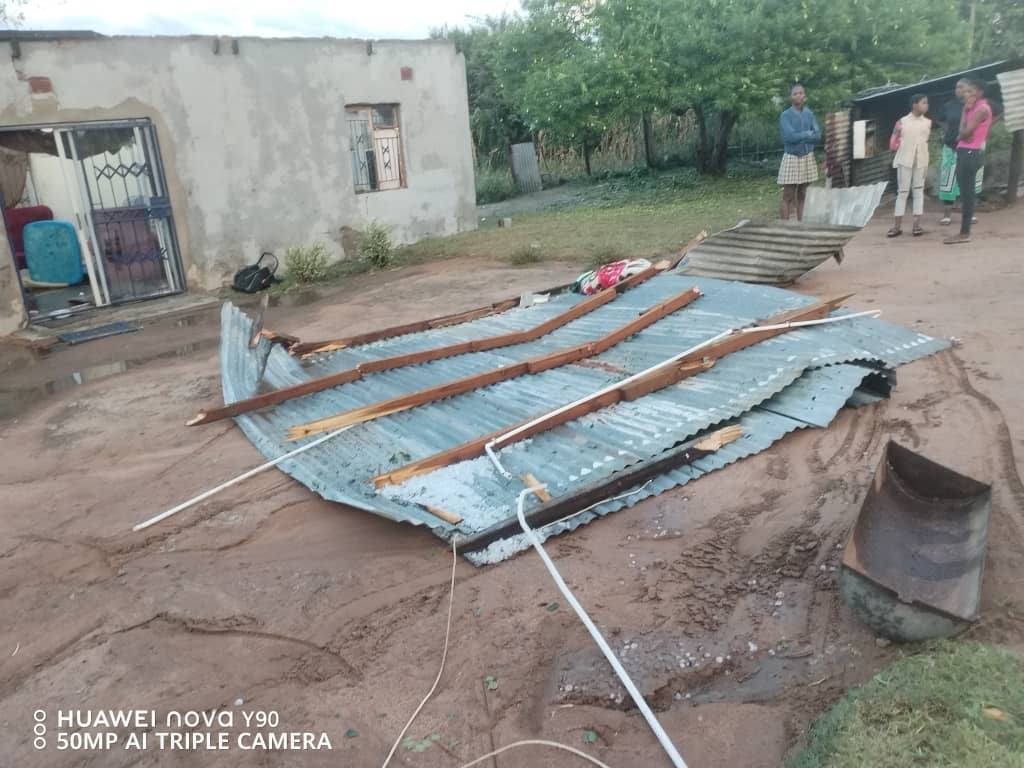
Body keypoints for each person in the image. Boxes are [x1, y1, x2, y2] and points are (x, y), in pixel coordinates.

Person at [945, 79, 992, 245]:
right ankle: (964, 232)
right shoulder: (971, 108)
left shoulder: (982, 109)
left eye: (971, 91)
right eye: (966, 91)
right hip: (965, 152)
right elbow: (962, 131)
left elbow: (964, 133)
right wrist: (965, 111)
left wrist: (962, 134)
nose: (967, 94)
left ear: (980, 92)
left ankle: (965, 233)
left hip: (970, 153)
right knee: (965, 193)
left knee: (967, 194)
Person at [937, 79, 981, 226]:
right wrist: (946, 131)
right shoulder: (949, 106)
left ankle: (970, 213)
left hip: (970, 148)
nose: (958, 90)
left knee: (969, 180)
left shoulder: (976, 106)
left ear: (970, 89)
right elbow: (941, 120)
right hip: (951, 146)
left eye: (962, 87)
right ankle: (947, 215)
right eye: (957, 87)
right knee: (948, 180)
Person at [888, 94, 931, 237]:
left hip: (921, 160)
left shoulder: (927, 122)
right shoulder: (902, 122)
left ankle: (916, 225)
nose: (926, 105)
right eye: (923, 103)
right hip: (905, 160)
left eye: (926, 103)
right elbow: (893, 142)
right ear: (914, 104)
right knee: (903, 192)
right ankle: (896, 226)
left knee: (918, 191)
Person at [778, 84, 821, 220]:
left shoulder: (809, 113)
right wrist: (808, 134)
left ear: (805, 96)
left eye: (801, 93)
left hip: (807, 156)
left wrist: (802, 135)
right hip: (792, 157)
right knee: (788, 195)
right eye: (795, 93)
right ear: (791, 97)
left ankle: (800, 224)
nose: (798, 95)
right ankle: (784, 227)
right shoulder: (785, 115)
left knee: (803, 193)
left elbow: (818, 135)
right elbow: (789, 137)